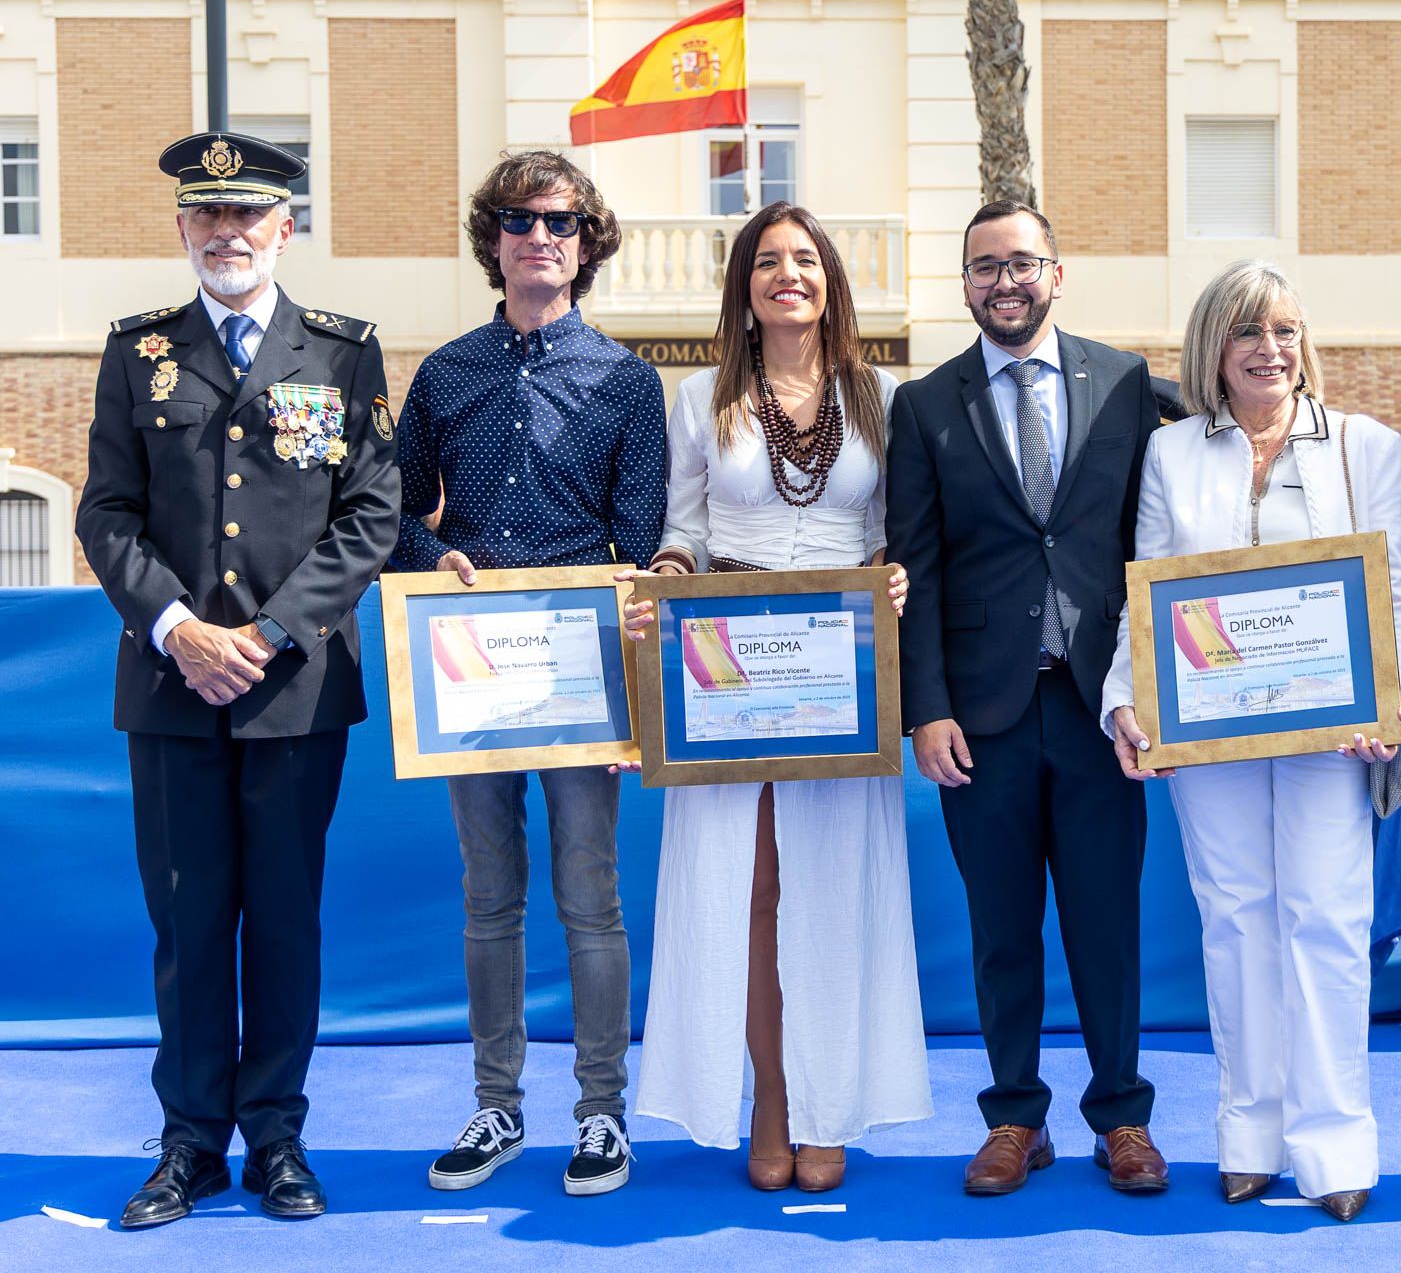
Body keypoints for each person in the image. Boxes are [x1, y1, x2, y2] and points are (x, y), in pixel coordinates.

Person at [75, 131, 400, 1227]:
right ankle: (189, 1143)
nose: (226, 233)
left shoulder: (342, 351)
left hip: (292, 686)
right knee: (189, 917)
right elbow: (105, 512)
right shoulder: (138, 352)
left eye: (246, 215)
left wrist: (263, 635)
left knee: (286, 918)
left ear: (284, 227)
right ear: (181, 230)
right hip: (170, 686)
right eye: (206, 216)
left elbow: (370, 514)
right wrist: (178, 628)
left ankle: (278, 1139)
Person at [613, 202, 928, 1193]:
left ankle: (828, 1101)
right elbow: (684, 525)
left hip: (840, 672)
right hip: (729, 670)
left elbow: (892, 527)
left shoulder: (881, 394)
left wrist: (892, 569)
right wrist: (664, 568)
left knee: (830, 892)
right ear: (743, 287)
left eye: (803, 259)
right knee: (749, 895)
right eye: (766, 261)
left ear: (829, 279)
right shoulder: (702, 394)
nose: (786, 274)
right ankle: (774, 1104)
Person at [1102, 261, 1401, 1219]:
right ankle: (1247, 1135)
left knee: (1324, 921)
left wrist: (1395, 700)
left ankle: (1335, 1149)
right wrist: (1128, 696)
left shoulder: (1365, 447)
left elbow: (1398, 588)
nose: (1270, 350)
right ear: (1215, 346)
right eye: (1248, 332)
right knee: (1235, 918)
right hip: (1210, 733)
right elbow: (1147, 589)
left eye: (1285, 330)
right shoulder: (1171, 456)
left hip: (1336, 736)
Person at [392, 151, 667, 1198]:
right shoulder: (445, 373)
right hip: (466, 662)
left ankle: (602, 1115)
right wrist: (432, 559)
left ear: (586, 241)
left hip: (578, 662)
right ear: (493, 240)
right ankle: (496, 1103)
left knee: (589, 897)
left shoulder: (627, 380)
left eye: (557, 221)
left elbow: (638, 536)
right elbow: (397, 510)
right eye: (516, 220)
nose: (536, 236)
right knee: (488, 895)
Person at [884, 200, 1167, 1195]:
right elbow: (911, 566)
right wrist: (926, 707)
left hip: (1103, 711)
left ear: (1057, 270)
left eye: (1021, 263)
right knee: (1002, 929)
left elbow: (1188, 497)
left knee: (1106, 923)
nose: (1004, 281)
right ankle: (1014, 1117)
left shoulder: (1129, 383)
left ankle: (1121, 1117)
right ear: (965, 283)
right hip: (981, 717)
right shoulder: (923, 406)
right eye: (983, 266)